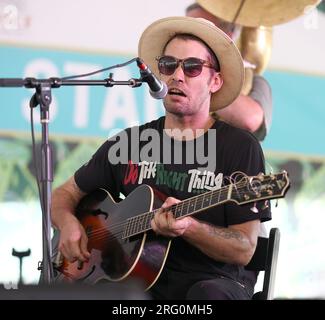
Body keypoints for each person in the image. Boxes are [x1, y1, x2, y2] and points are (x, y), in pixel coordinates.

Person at [51, 16, 271, 300]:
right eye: (169, 65)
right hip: (133, 283)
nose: (177, 76)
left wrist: (190, 227)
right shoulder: (129, 142)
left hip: (209, 282)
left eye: (192, 67)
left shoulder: (240, 147)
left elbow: (244, 247)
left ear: (215, 81)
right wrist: (68, 222)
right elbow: (64, 193)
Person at [186, 2, 273, 142]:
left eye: (204, 29)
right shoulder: (177, 71)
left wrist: (194, 87)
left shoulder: (256, 81)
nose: (192, 37)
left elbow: (250, 120)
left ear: (228, 35)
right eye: (188, 30)